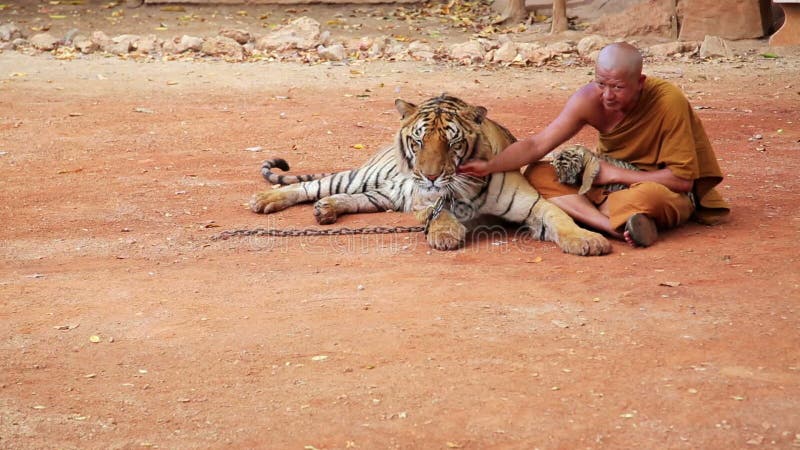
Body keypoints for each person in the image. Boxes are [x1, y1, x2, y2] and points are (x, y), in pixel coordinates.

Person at [458, 42, 730, 247]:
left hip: (659, 187)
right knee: (538, 173)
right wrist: (490, 165)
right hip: (604, 186)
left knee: (649, 197)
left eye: (618, 88)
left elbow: (683, 181)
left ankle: (601, 213)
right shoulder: (589, 99)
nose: (607, 96)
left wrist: (616, 174)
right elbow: (537, 144)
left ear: (640, 82)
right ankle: (611, 225)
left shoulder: (668, 100)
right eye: (601, 83)